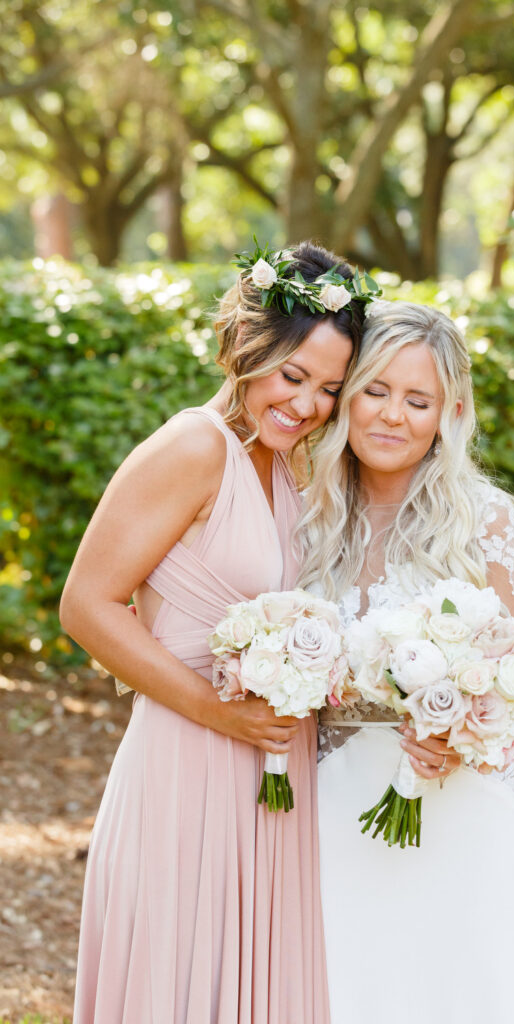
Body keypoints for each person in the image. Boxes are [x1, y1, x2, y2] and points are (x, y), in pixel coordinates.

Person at [59, 240, 369, 1024]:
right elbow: (87, 604)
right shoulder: (194, 447)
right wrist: (218, 712)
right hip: (190, 760)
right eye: (292, 376)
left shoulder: (287, 467)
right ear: (245, 349)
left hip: (273, 771)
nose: (306, 405)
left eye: (329, 389)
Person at [298, 300, 514, 1023]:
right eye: (374, 390)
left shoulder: (486, 520)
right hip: (330, 807)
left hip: (457, 805)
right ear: (346, 396)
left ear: (450, 411)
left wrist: (458, 735)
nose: (391, 415)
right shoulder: (307, 513)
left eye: (417, 400)